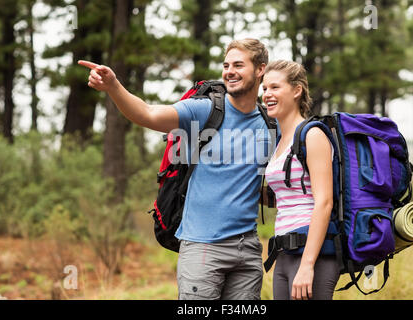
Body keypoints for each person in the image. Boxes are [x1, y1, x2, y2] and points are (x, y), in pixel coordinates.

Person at [79, 38, 274, 300]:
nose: (229, 71)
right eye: (226, 65)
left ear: (260, 69)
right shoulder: (205, 111)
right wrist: (114, 86)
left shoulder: (271, 124)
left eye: (239, 65)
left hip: (248, 250)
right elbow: (147, 114)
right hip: (202, 247)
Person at [262, 60, 339, 300]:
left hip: (312, 254)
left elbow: (324, 202)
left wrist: (307, 265)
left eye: (275, 87)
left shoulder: (312, 135)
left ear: (297, 90)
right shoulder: (280, 141)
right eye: (264, 89)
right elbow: (288, 196)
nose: (267, 95)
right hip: (284, 252)